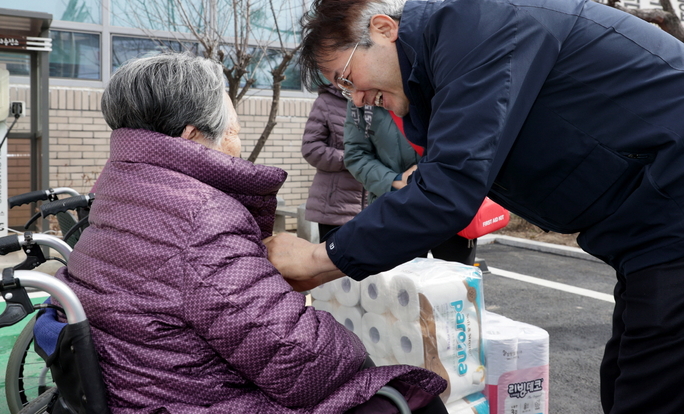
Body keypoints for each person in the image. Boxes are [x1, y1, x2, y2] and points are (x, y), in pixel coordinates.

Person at [264, 0, 684, 414]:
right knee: (626, 378)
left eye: (347, 77)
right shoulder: (447, 67)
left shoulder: (476, 25)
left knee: (650, 389)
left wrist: (318, 259)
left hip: (680, 201)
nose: (357, 98)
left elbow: (447, 190)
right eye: (341, 91)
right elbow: (442, 179)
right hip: (650, 229)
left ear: (382, 28)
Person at [49, 53, 447, 413]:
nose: (238, 149)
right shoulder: (199, 215)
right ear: (192, 138)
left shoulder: (119, 193)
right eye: (232, 134)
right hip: (196, 399)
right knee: (415, 400)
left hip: (141, 389)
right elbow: (297, 357)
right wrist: (351, 347)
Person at [344, 102, 476, 264]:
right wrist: (394, 180)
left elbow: (465, 134)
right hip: (396, 207)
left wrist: (427, 172)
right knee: (402, 283)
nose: (346, 86)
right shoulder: (360, 102)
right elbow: (355, 154)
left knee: (458, 282)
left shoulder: (435, 79)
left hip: (448, 200)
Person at [302, 84, 364, 242]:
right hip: (335, 207)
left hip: (374, 207)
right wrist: (353, 159)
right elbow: (311, 149)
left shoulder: (378, 100)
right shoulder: (326, 102)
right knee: (333, 265)